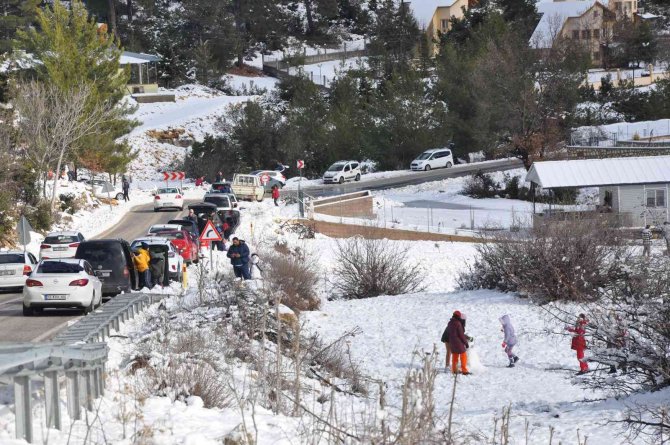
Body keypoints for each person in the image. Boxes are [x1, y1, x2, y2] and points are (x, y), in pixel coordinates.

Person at [446, 311, 470, 375]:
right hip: (458, 342)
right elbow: (461, 335)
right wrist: (466, 343)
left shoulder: (449, 323)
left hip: (452, 342)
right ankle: (464, 370)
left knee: (455, 355)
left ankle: (454, 370)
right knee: (463, 355)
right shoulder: (458, 323)